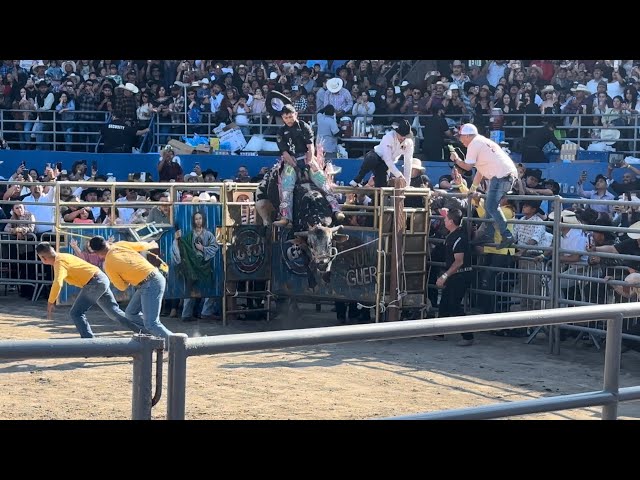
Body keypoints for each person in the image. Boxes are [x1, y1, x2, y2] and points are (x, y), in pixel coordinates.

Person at [36, 242, 146, 338]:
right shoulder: (63, 256)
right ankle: (145, 331)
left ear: (43, 258)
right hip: (100, 278)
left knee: (76, 313)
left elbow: (58, 283)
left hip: (94, 283)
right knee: (115, 313)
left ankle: (89, 341)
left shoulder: (59, 263)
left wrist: (51, 301)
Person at [269, 92, 344, 227]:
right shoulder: (281, 132)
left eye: (291, 116)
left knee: (322, 182)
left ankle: (335, 209)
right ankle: (286, 216)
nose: (289, 119)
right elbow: (284, 152)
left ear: (296, 115)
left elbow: (310, 147)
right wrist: (295, 165)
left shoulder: (304, 126)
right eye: (286, 117)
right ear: (282, 118)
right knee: (287, 186)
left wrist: (308, 163)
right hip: (291, 160)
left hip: (307, 157)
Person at [89, 236, 173, 344]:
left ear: (97, 253)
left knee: (151, 323)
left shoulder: (108, 265)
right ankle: (154, 338)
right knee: (130, 314)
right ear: (106, 242)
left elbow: (122, 287)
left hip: (148, 284)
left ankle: (177, 345)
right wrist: (152, 244)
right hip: (153, 278)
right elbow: (142, 246)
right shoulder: (120, 244)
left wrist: (127, 278)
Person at [450, 123, 517, 249]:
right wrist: (472, 189)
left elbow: (468, 167)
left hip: (501, 177)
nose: (460, 140)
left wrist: (456, 159)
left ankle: (506, 235)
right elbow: (480, 172)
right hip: (505, 175)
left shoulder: (474, 144)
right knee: (490, 206)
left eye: (461, 136)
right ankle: (488, 234)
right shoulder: (482, 142)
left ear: (468, 136)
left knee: (491, 206)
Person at [434, 208, 475, 346]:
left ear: (451, 221)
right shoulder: (454, 235)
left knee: (454, 304)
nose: (444, 221)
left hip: (461, 274)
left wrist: (444, 276)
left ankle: (468, 336)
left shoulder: (458, 238)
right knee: (445, 303)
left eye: (446, 219)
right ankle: (439, 332)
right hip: (456, 274)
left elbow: (459, 261)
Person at [172, 210, 219, 322]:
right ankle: (186, 314)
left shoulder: (208, 234)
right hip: (192, 266)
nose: (198, 221)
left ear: (203, 220)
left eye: (200, 218)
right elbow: (182, 247)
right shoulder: (189, 236)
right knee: (191, 289)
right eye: (196, 219)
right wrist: (177, 239)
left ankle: (206, 312)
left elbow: (215, 247)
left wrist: (203, 248)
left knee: (210, 288)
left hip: (205, 266)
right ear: (193, 220)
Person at [349, 119, 414, 188]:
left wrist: (407, 183)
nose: (403, 138)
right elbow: (387, 158)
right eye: (401, 135)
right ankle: (358, 179)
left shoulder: (409, 143)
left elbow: (408, 162)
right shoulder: (389, 137)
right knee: (371, 158)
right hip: (377, 156)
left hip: (385, 165)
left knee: (382, 186)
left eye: (405, 136)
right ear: (396, 132)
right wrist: (399, 175)